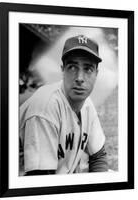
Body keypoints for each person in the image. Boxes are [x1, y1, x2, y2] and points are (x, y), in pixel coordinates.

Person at [19, 35, 108, 175]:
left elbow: (98, 156)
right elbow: (39, 180)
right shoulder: (45, 107)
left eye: (88, 69)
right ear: (62, 70)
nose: (79, 78)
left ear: (96, 73)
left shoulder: (87, 105)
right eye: (72, 67)